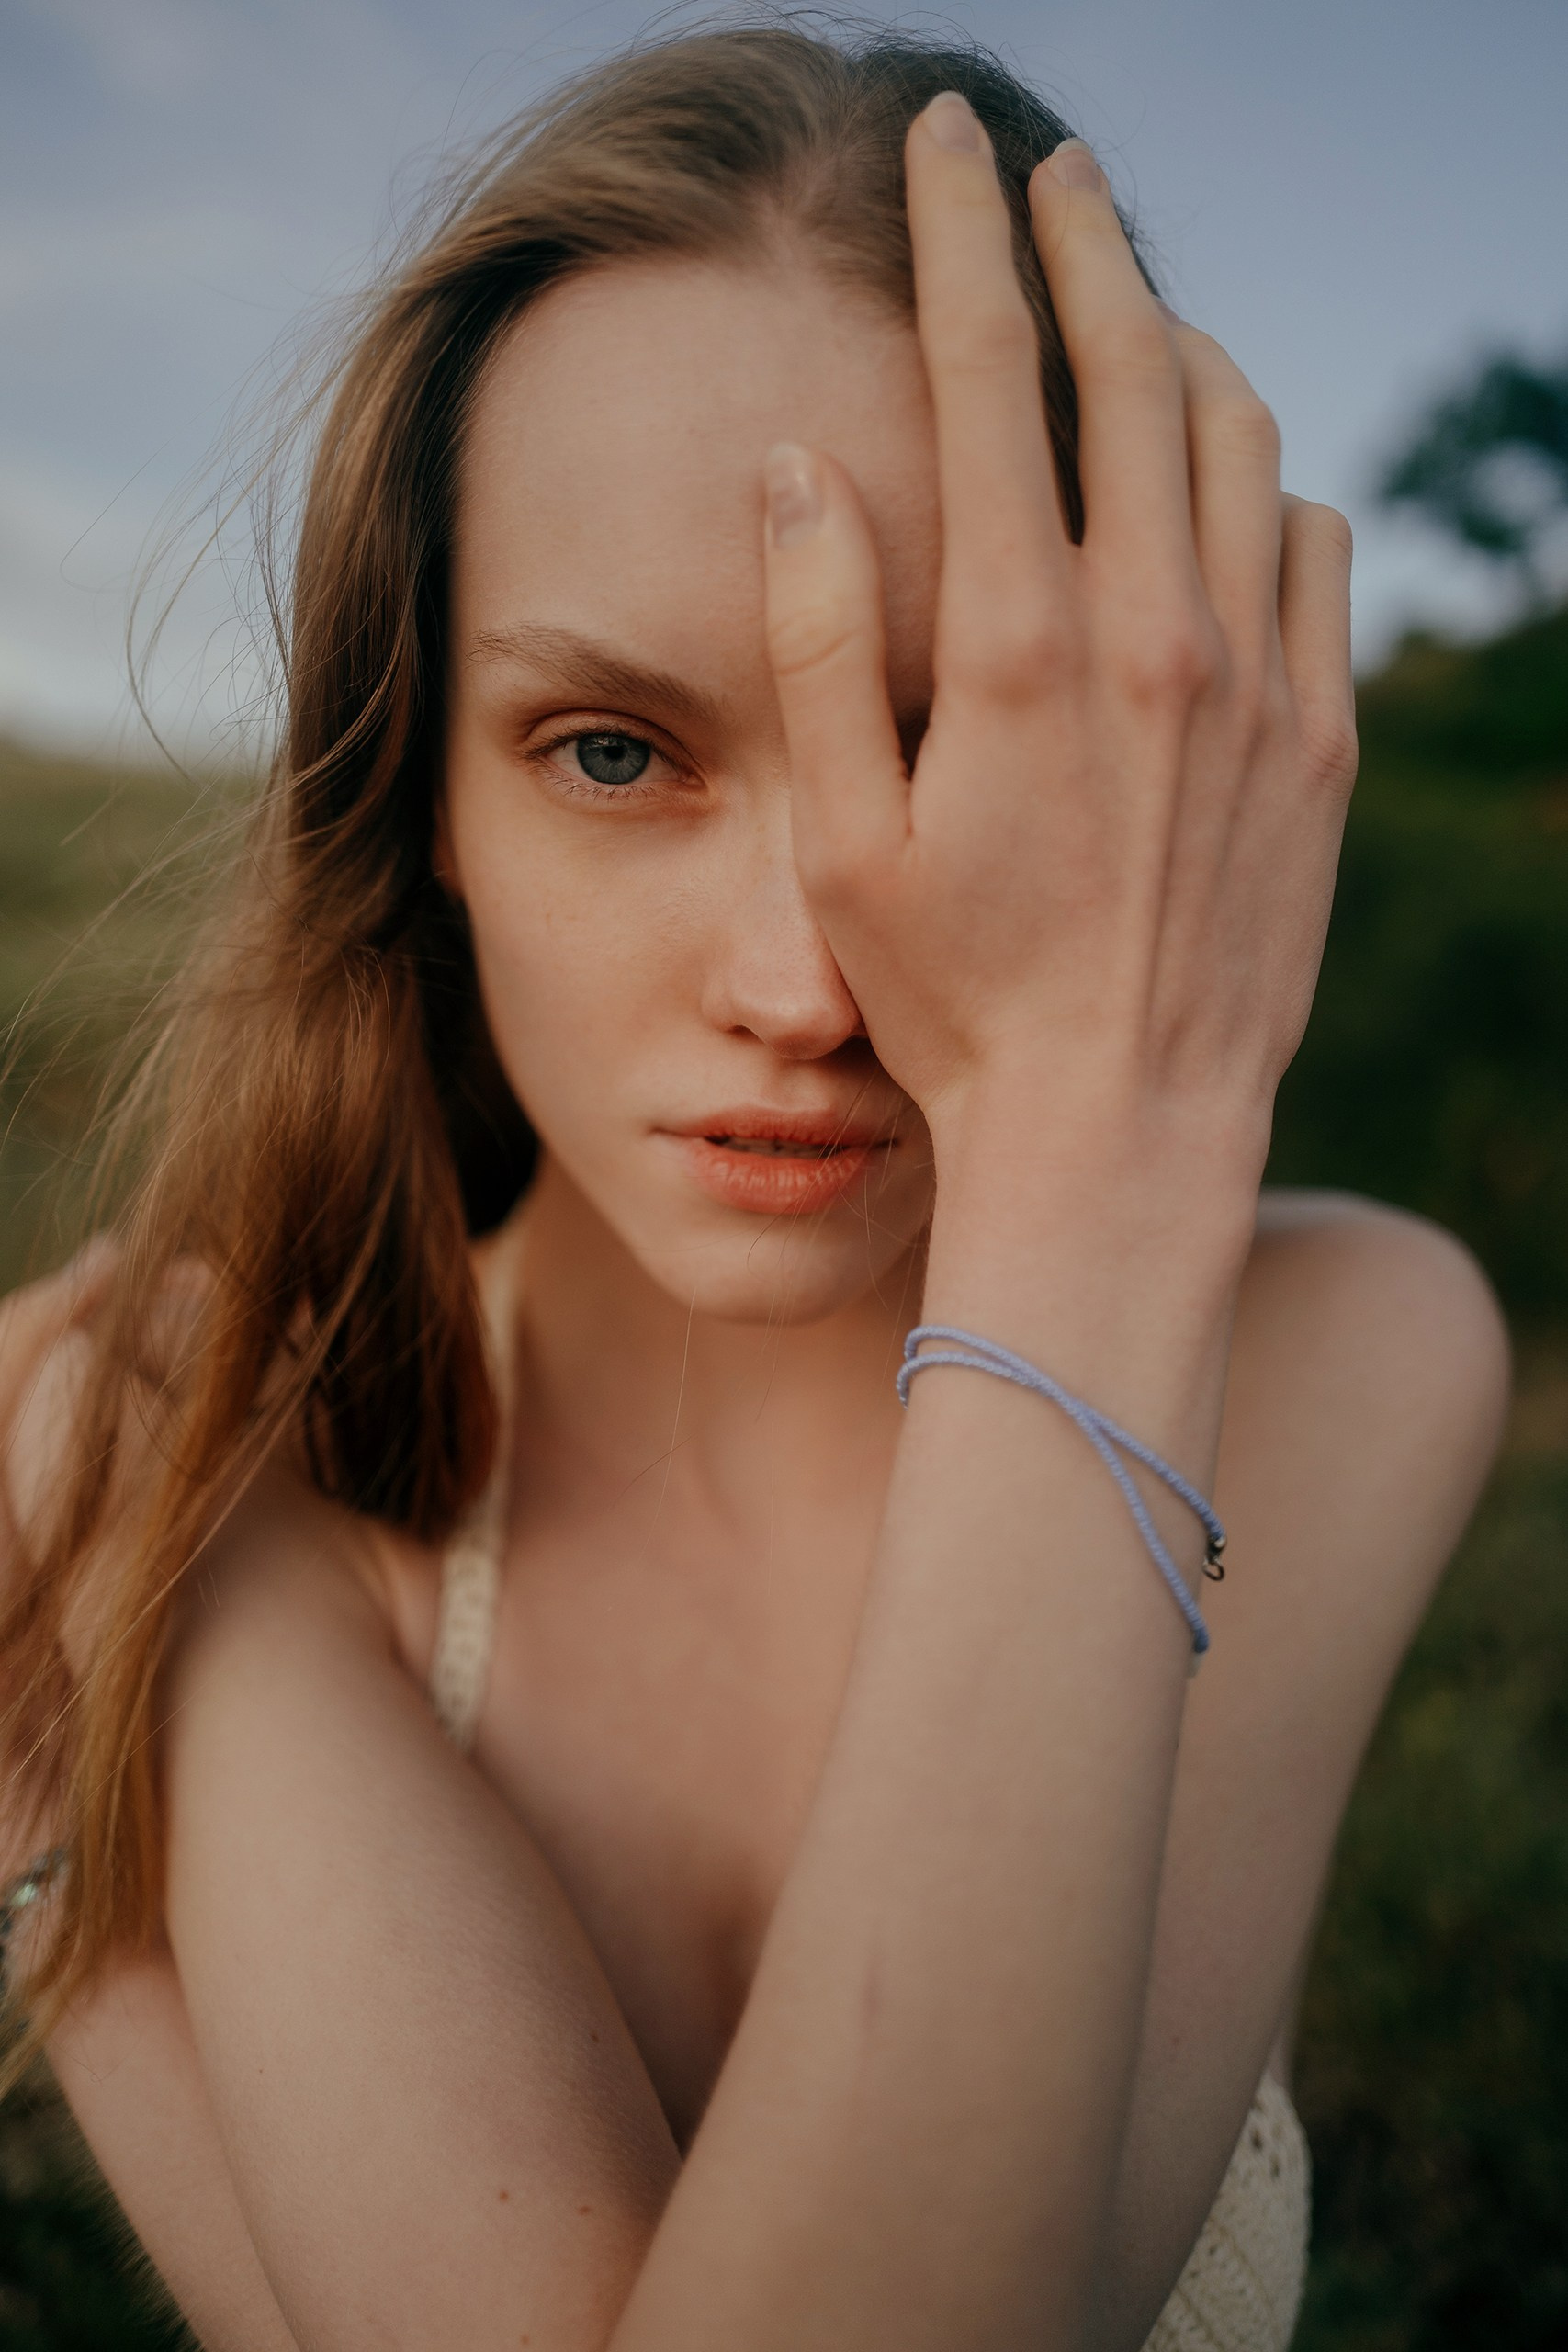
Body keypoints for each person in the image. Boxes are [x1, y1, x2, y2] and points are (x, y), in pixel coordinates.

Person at [0, 21, 1508, 2352]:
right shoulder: (276, 1499)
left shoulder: (1344, 1355)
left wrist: (69, 1794)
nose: (803, 982)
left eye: (939, 741)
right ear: (419, 802)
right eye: (614, 750)